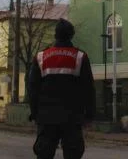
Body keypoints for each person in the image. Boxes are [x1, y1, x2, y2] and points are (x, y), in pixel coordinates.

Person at [28, 19, 95, 159]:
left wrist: (34, 113)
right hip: (72, 117)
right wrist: (89, 115)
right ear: (72, 35)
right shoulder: (80, 57)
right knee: (73, 154)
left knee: (44, 153)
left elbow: (33, 88)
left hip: (46, 117)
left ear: (55, 35)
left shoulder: (41, 57)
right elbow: (88, 88)